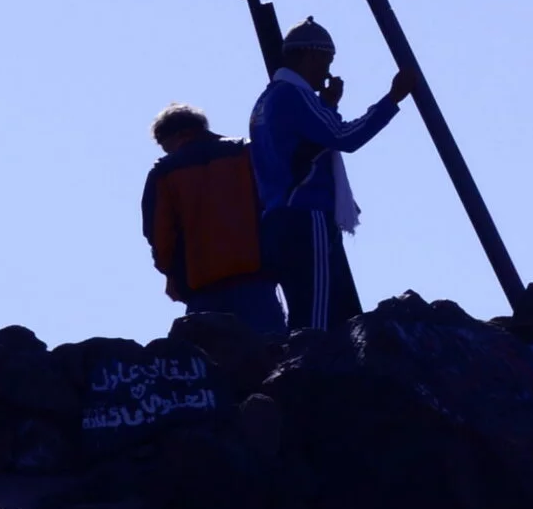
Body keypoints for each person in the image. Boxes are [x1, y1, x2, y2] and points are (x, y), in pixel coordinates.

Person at [248, 18, 414, 333]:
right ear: (310, 55)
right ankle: (311, 374)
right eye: (326, 60)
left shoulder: (266, 101)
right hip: (306, 213)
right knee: (318, 319)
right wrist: (392, 99)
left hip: (278, 216)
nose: (327, 71)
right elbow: (343, 136)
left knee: (313, 307)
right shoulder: (293, 95)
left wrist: (328, 105)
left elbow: (309, 143)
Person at [140, 104, 283, 337]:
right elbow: (274, 202)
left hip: (203, 286)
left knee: (213, 363)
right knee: (272, 356)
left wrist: (172, 275)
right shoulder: (246, 151)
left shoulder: (164, 173)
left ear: (178, 135)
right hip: (256, 277)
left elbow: (159, 234)